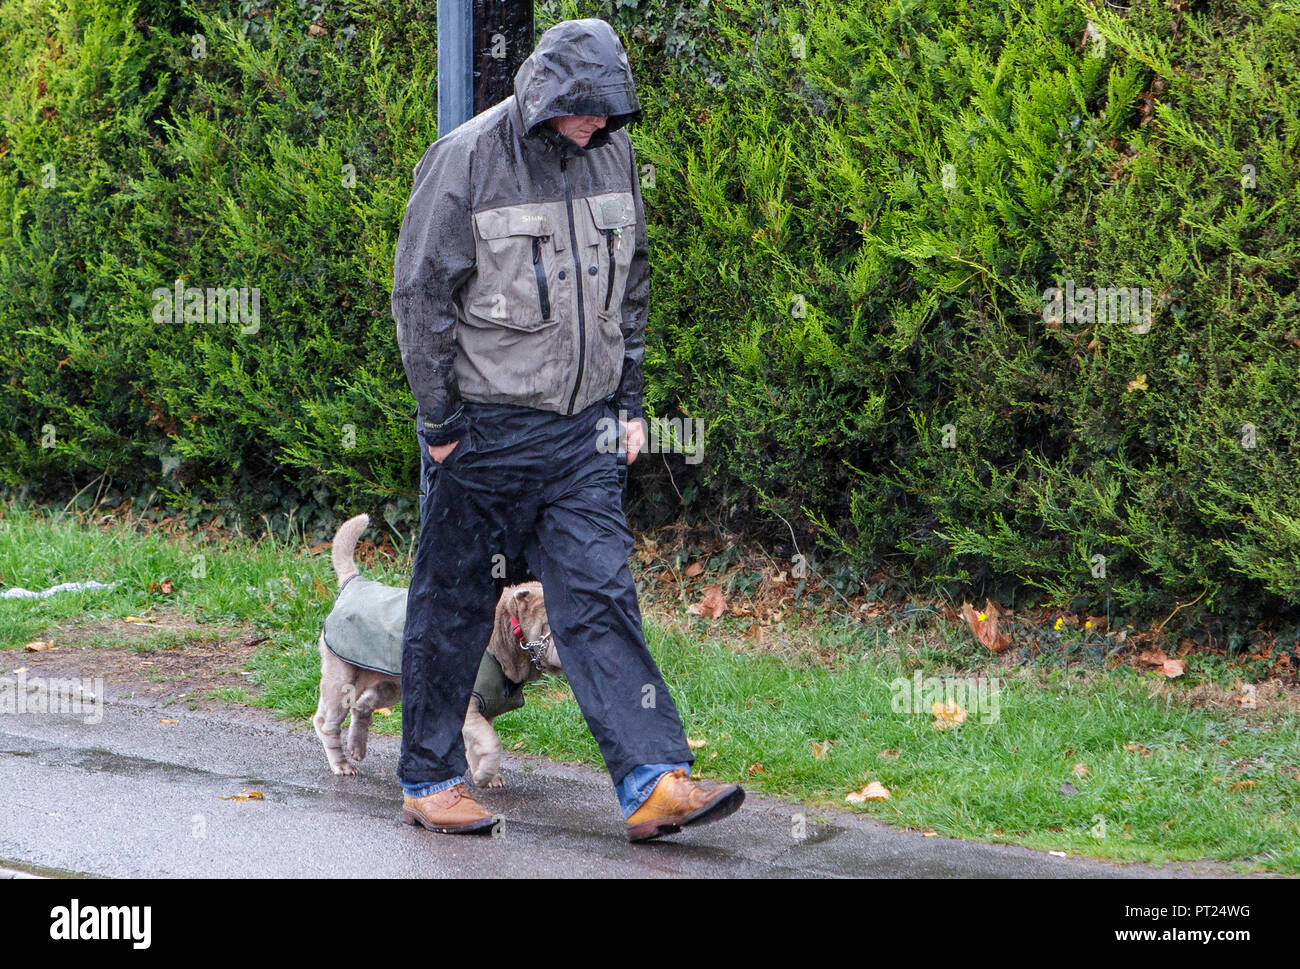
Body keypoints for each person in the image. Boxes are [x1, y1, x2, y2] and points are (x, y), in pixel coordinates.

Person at [390, 17, 744, 842]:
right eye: (586, 110)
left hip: (582, 435)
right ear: (547, 95)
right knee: (451, 606)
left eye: (611, 112)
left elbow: (633, 291)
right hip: (482, 431)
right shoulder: (468, 159)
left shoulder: (611, 155)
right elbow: (420, 298)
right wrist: (440, 425)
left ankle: (654, 780)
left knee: (599, 598)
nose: (599, 126)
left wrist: (628, 404)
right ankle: (430, 776)